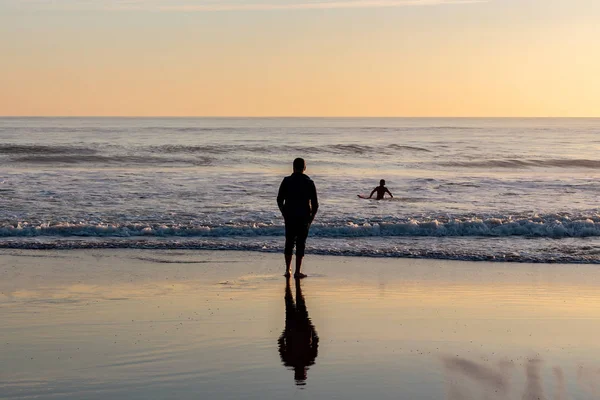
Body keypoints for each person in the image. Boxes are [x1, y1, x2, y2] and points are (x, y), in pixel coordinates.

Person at [277, 158, 319, 278]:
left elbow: (279, 199)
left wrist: (283, 212)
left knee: (289, 243)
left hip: (290, 216)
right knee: (301, 244)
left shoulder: (286, 181)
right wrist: (311, 218)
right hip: (304, 217)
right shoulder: (309, 182)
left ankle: (287, 270)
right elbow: (315, 204)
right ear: (304, 168)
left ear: (293, 167)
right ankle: (297, 271)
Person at [278, 277, 319, 385]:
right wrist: (311, 327)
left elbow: (280, 343)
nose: (303, 371)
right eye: (303, 374)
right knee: (296, 301)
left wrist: (285, 332)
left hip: (295, 327)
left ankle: (291, 283)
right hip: (301, 327)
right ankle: (293, 283)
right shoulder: (308, 360)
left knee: (292, 301)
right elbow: (315, 340)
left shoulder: (290, 361)